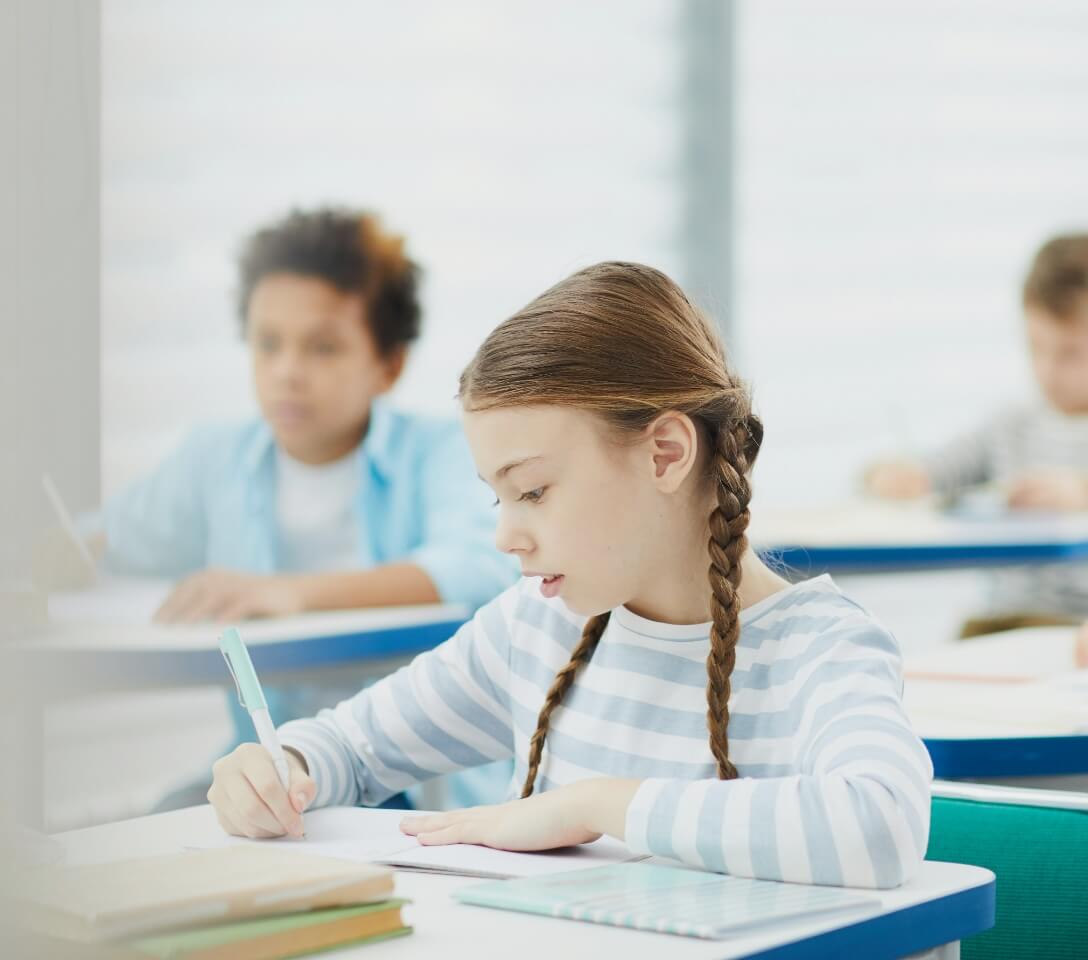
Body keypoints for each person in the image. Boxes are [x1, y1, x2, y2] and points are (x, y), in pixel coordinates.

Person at [208, 262, 932, 889]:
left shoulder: (822, 650)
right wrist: (278, 768)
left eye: (534, 491)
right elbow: (352, 748)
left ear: (665, 454)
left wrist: (595, 805)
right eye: (498, 496)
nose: (505, 536)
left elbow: (880, 825)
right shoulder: (533, 627)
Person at [83, 208, 517, 804]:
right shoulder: (216, 458)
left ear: (388, 365)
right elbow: (114, 538)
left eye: (323, 348)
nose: (287, 371)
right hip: (269, 767)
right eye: (268, 344)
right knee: (158, 820)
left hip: (411, 784)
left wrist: (291, 592)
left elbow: (479, 565)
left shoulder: (439, 450)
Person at [867, 234, 1088, 634]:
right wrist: (903, 476)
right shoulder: (1011, 424)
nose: (1049, 370)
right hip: (1004, 620)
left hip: (1077, 626)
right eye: (1037, 347)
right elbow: (939, 469)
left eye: (1070, 352)